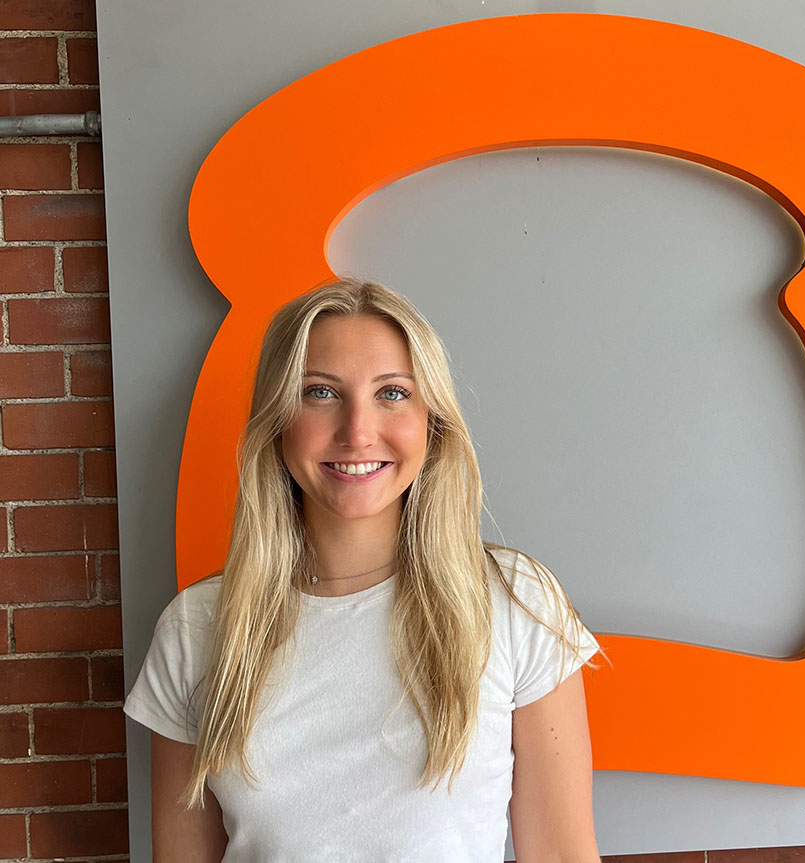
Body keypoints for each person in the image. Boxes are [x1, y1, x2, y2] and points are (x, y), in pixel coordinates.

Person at [124, 279, 602, 862]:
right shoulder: (197, 630)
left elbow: (563, 855)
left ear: (434, 422)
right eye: (320, 392)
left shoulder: (515, 602)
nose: (357, 432)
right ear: (277, 422)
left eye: (392, 394)